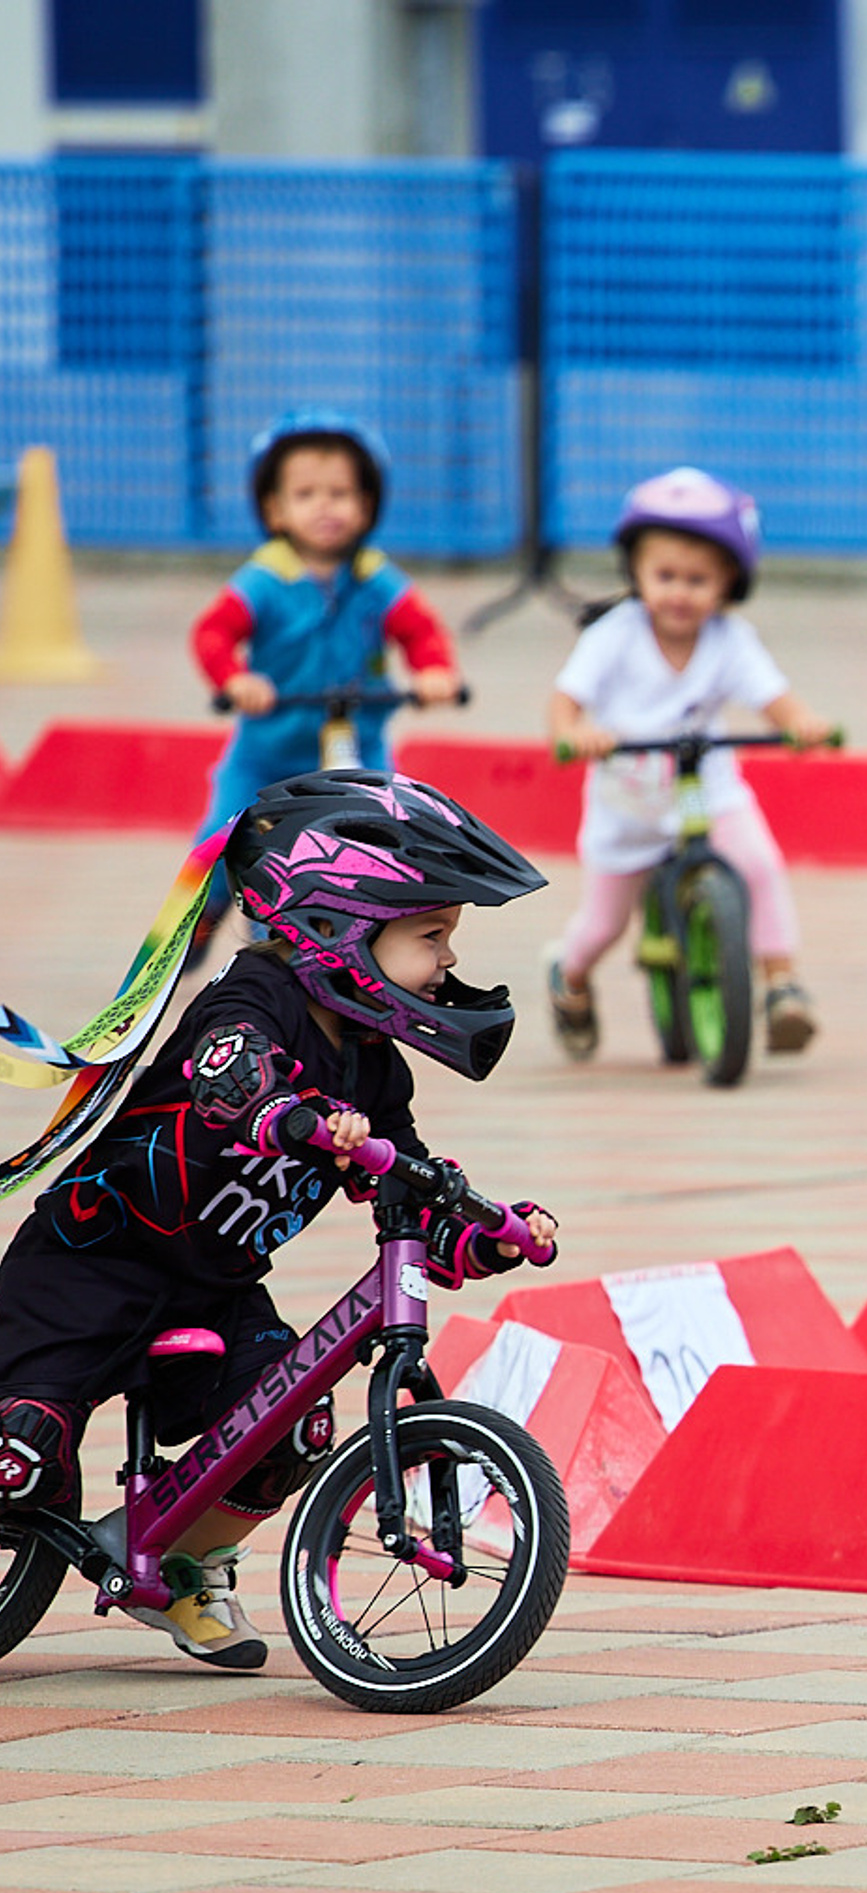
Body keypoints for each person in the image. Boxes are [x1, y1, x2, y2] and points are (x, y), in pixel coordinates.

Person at [0, 774, 554, 1672]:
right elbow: (233, 1072)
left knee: (291, 1425)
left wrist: (479, 1229)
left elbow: (402, 1181)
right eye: (431, 935)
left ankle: (183, 1563)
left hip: (215, 1288)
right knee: (25, 1455)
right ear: (339, 928)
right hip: (92, 1260)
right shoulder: (255, 996)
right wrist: (285, 1111)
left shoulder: (374, 1068)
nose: (447, 961)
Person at [544, 467, 829, 1058]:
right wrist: (576, 733)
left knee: (759, 865)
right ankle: (567, 979)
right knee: (603, 926)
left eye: (698, 579)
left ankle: (781, 985)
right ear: (637, 573)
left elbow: (772, 696)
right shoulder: (616, 635)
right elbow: (565, 699)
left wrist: (800, 724)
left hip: (708, 790)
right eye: (665, 575)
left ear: (729, 583)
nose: (679, 592)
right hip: (630, 804)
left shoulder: (730, 639)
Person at [188, 413, 464, 945]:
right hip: (267, 755)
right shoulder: (264, 579)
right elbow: (212, 634)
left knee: (396, 832)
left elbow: (421, 630)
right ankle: (194, 929)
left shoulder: (376, 578)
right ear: (274, 508)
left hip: (356, 749)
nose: (325, 505)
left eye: (340, 493)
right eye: (306, 492)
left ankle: (374, 933)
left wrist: (435, 672)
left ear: (367, 506)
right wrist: (235, 679)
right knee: (217, 842)